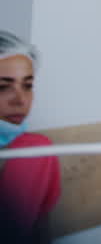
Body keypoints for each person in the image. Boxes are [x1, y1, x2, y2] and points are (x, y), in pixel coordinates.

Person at [0, 31, 59, 244]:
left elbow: (41, 231)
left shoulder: (39, 151)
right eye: (3, 87)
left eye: (28, 86)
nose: (21, 100)